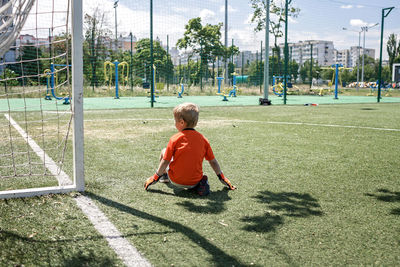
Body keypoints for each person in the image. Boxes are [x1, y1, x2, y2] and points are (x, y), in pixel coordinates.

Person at [144, 102, 236, 196]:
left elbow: (165, 161)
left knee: (164, 151)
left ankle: (164, 177)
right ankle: (200, 184)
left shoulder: (174, 139)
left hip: (175, 180)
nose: (174, 123)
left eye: (175, 120)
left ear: (182, 122)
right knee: (198, 172)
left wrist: (155, 177)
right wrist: (222, 177)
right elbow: (213, 161)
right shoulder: (203, 139)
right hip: (194, 182)